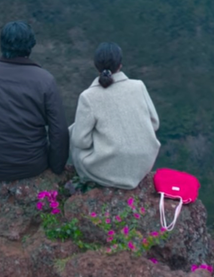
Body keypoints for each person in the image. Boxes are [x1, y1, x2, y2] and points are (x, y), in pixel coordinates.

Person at [0, 21, 68, 181]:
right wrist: (57, 168)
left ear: (2, 44)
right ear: (30, 45)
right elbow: (58, 131)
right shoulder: (45, 80)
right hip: (34, 164)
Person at [67, 42, 160, 189]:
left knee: (73, 132)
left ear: (96, 66)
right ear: (120, 65)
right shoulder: (139, 86)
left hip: (107, 171)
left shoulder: (88, 96)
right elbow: (154, 124)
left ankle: (86, 181)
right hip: (143, 164)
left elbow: (81, 142)